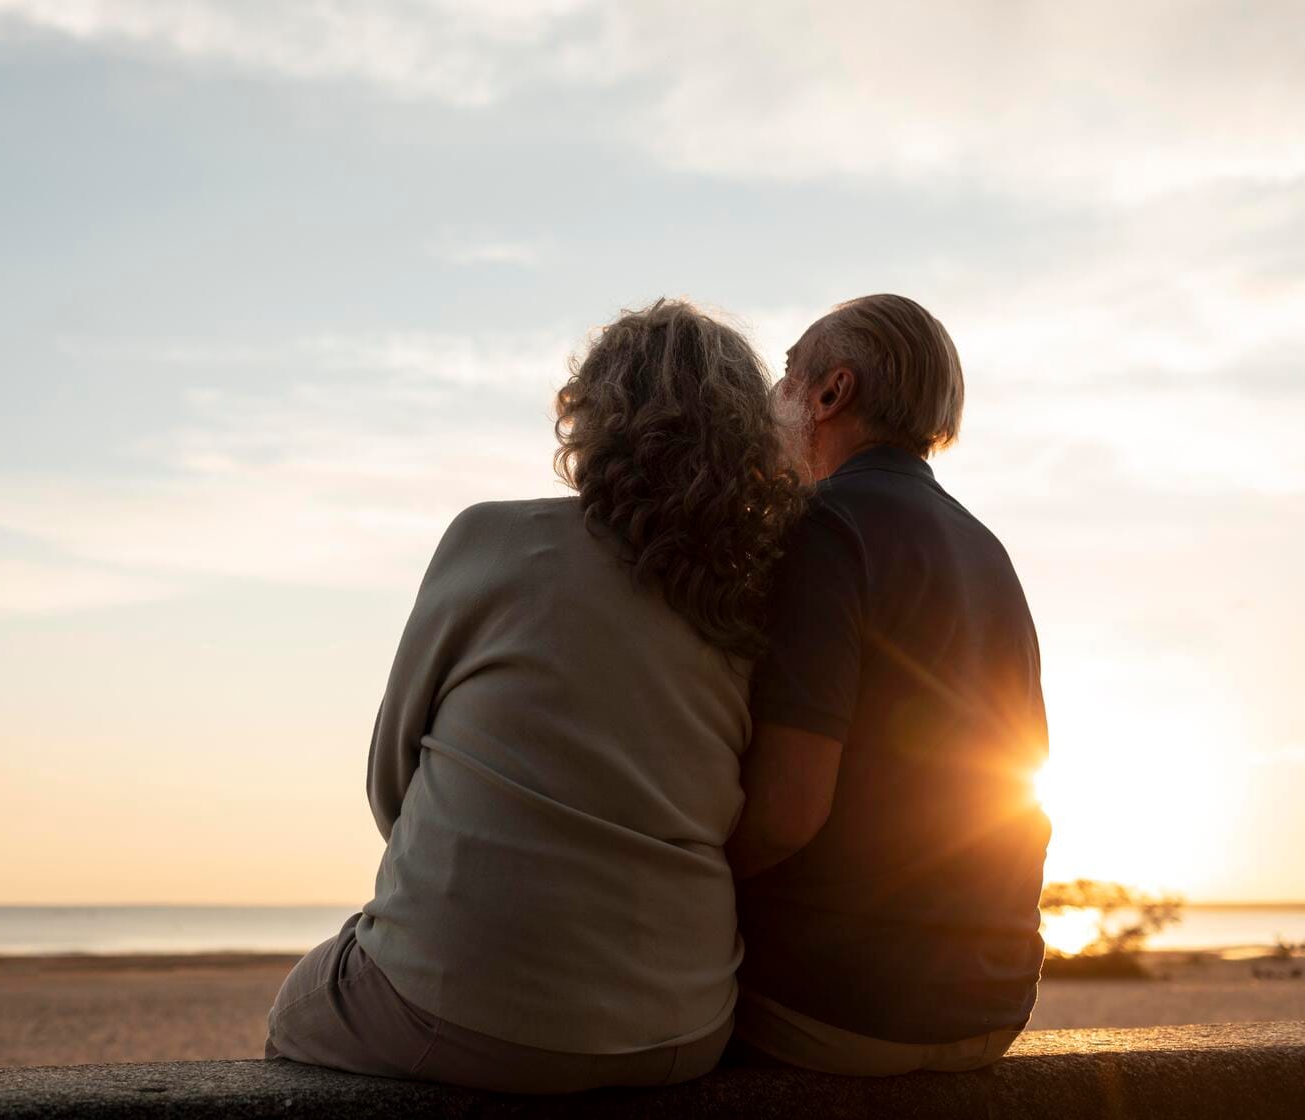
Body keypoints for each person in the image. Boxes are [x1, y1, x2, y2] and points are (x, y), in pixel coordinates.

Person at [265, 300, 804, 1093]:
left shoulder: (490, 540)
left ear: (595, 419)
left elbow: (391, 786)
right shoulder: (745, 600)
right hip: (681, 1027)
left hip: (452, 1008)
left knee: (297, 1011)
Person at [726, 294, 1051, 1076]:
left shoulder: (824, 527)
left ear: (831, 392)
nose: (772, 400)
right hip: (995, 1004)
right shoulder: (986, 548)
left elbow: (785, 815)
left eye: (786, 376)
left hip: (847, 1007)